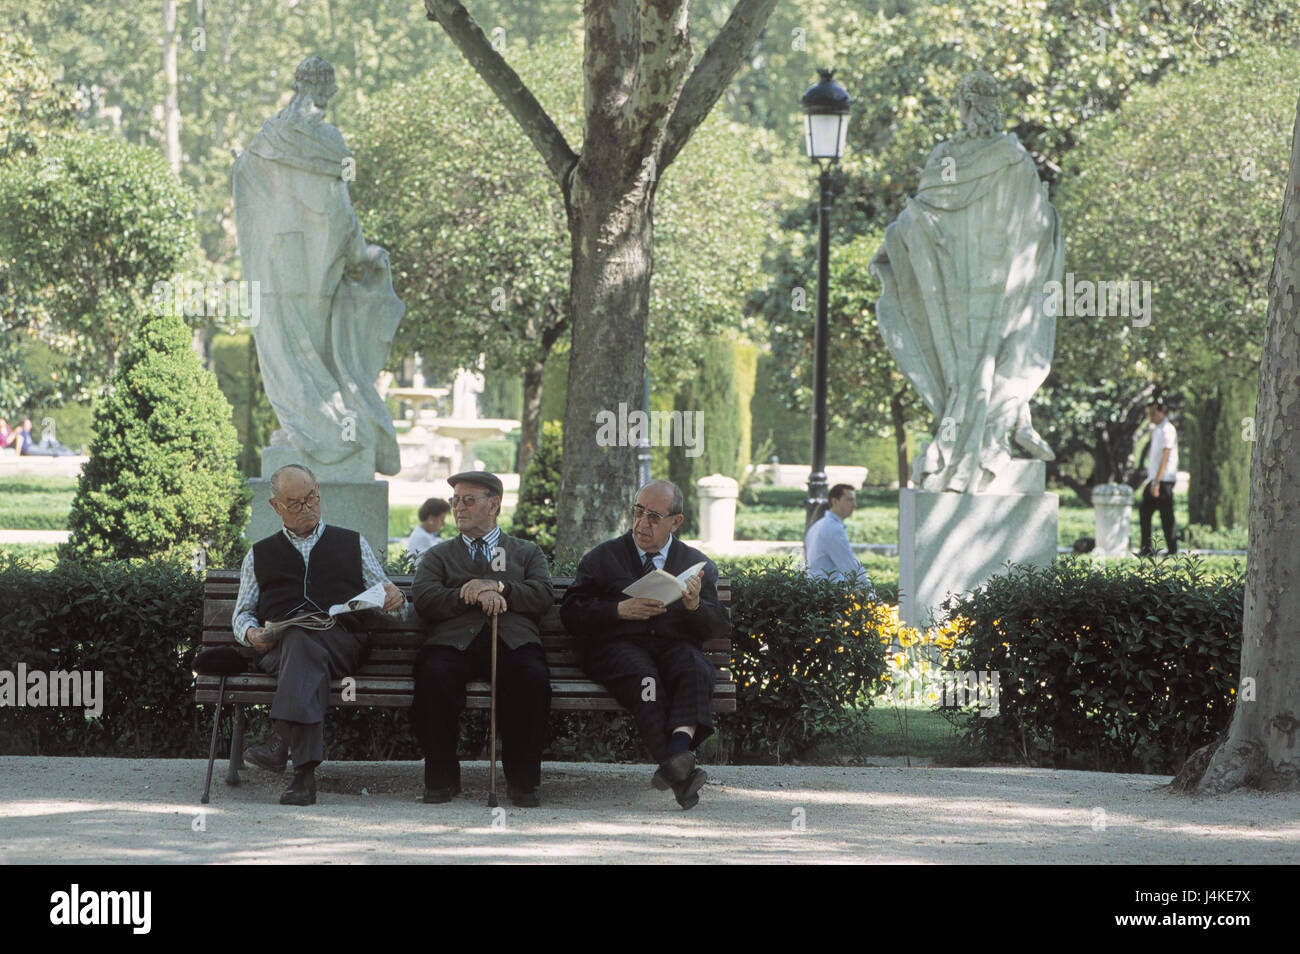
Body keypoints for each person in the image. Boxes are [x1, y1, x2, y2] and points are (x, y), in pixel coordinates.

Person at [870, 70, 1062, 492]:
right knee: (989, 368)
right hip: (996, 292)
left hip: (956, 295)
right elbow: (1039, 226)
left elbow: (920, 214)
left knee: (969, 375)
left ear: (966, 106)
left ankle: (985, 433)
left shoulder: (951, 156)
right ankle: (1001, 425)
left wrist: (902, 237)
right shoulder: (1016, 159)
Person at [232, 55, 404, 478]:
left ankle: (304, 431)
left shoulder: (268, 137)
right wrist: (360, 252)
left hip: (278, 260)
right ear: (327, 90)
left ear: (297, 85)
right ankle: (327, 431)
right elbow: (337, 208)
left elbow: (243, 181)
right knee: (317, 348)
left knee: (289, 347)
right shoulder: (327, 139)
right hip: (316, 263)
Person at [232, 463, 405, 805]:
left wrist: (396, 601)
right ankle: (302, 776)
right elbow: (243, 613)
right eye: (295, 503)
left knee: (303, 644)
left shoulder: (352, 543)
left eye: (311, 497)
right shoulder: (259, 555)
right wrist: (252, 634)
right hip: (279, 649)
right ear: (275, 506)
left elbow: (392, 600)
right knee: (299, 641)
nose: (307, 507)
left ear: (319, 493)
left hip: (341, 645)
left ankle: (280, 742)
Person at [560, 479, 732, 810]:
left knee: (697, 669)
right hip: (617, 647)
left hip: (673, 647)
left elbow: (718, 626)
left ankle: (675, 760)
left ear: (676, 521)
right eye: (638, 511)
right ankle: (680, 768)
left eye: (654, 516)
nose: (642, 523)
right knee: (646, 681)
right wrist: (617, 610)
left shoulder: (695, 564)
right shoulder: (603, 557)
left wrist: (695, 607)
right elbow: (571, 613)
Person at [409, 471, 553, 806]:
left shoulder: (526, 552)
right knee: (433, 678)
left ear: (494, 505)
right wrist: (467, 594)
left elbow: (544, 594)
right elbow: (425, 598)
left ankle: (523, 782)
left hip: (512, 640)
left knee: (531, 679)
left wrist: (501, 588)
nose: (459, 507)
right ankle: (441, 778)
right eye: (455, 501)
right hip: (453, 642)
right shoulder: (439, 555)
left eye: (468, 500)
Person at [805, 484, 878, 598]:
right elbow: (851, 568)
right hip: (828, 597)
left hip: (817, 593)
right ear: (835, 501)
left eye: (854, 500)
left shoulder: (818, 525)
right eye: (849, 500)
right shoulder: (833, 529)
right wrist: (874, 600)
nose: (854, 505)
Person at [1138, 400, 1179, 556]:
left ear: (1162, 412)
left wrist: (1156, 482)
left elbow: (1166, 456)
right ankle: (1146, 549)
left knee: (1166, 516)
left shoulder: (1168, 430)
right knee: (1145, 512)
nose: (1150, 416)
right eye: (1149, 413)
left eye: (1153, 413)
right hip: (1155, 479)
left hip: (1163, 480)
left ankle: (1172, 550)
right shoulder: (1158, 429)